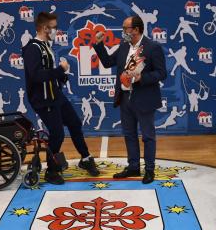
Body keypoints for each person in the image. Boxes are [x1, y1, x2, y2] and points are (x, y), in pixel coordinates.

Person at [22, 12, 99, 185]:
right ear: (44, 28)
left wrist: (60, 77)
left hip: (55, 95)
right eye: (54, 27)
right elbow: (35, 76)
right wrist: (60, 70)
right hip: (43, 100)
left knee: (75, 123)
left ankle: (85, 158)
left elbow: (47, 73)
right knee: (57, 133)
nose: (57, 30)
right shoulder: (32, 48)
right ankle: (51, 170)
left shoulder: (46, 45)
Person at [93, 15, 167, 183]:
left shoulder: (152, 47)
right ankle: (133, 166)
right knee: (129, 134)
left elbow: (162, 73)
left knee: (148, 136)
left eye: (125, 28)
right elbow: (107, 62)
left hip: (145, 98)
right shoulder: (124, 46)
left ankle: (149, 170)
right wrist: (99, 44)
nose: (123, 31)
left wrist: (142, 77)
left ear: (136, 30)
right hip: (125, 98)